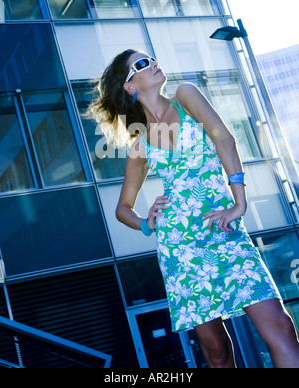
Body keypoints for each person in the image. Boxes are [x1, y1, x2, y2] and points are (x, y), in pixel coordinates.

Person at [88, 49, 299, 368]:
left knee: (280, 327)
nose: (155, 64)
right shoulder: (140, 141)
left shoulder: (185, 94)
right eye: (143, 64)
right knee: (216, 351)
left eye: (152, 58)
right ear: (130, 85)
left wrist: (239, 202)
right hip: (180, 251)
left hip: (225, 233)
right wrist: (146, 223)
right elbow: (122, 208)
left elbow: (225, 141)